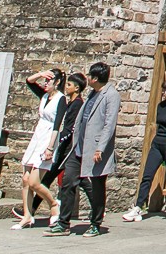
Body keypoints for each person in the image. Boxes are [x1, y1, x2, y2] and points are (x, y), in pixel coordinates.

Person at [123, 77, 166, 223]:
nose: (163, 92)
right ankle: (138, 207)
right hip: (158, 144)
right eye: (163, 89)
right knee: (147, 175)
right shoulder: (161, 106)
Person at [70, 61, 121, 238]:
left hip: (96, 148)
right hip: (81, 145)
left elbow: (109, 124)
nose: (87, 78)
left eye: (90, 76)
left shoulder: (111, 95)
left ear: (96, 78)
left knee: (98, 185)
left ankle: (96, 222)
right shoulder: (92, 93)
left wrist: (100, 148)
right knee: (70, 178)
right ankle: (62, 221)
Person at [13, 68, 64, 229]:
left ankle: (53, 204)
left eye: (49, 80)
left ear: (57, 82)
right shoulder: (44, 96)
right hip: (38, 136)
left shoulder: (61, 99)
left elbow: (57, 125)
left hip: (48, 139)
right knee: (26, 179)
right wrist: (41, 74)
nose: (46, 83)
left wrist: (50, 147)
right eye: (45, 80)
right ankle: (27, 216)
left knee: (34, 182)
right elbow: (29, 81)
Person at [46, 72, 88, 236]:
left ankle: (63, 220)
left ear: (77, 88)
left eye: (69, 85)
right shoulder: (70, 102)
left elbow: (71, 128)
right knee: (75, 181)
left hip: (70, 148)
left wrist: (59, 140)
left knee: (69, 182)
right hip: (66, 147)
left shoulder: (78, 104)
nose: (66, 87)